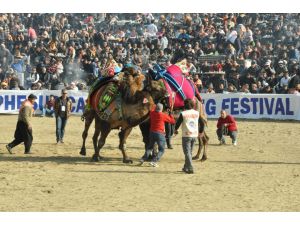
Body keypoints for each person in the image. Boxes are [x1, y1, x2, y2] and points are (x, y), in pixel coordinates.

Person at [139, 103, 175, 167]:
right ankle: (154, 161)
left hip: (152, 133)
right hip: (160, 134)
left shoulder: (152, 113)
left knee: (150, 147)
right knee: (161, 149)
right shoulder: (163, 115)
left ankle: (143, 159)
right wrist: (170, 114)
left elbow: (151, 110)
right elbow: (172, 121)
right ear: (162, 109)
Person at [174, 99, 202, 174]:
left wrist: (175, 130)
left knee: (187, 152)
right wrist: (201, 131)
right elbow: (202, 123)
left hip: (186, 135)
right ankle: (186, 167)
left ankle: (190, 167)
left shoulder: (183, 113)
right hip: (194, 135)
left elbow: (178, 123)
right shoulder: (197, 113)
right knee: (190, 152)